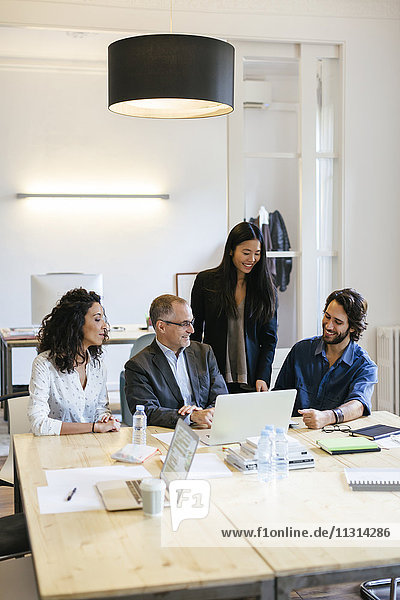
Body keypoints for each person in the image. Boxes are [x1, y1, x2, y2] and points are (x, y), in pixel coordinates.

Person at [191, 221, 277, 393]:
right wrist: (196, 371)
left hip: (251, 378)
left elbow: (269, 340)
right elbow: (195, 330)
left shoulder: (266, 289)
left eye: (257, 253)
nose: (252, 259)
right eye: (246, 253)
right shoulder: (206, 282)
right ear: (231, 250)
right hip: (213, 373)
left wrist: (263, 376)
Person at [274, 288, 378, 429]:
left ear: (352, 327)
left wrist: (328, 417)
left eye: (338, 322)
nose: (329, 326)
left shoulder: (365, 367)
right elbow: (279, 396)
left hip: (335, 437)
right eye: (327, 316)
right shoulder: (300, 351)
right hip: (295, 434)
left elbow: (358, 404)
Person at [124, 294, 227, 429]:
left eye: (191, 322)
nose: (191, 330)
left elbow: (221, 398)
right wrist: (189, 417)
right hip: (166, 434)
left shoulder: (204, 352)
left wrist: (209, 413)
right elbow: (147, 412)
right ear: (161, 327)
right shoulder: (138, 366)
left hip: (207, 429)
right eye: (184, 324)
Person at [28, 288, 120, 436]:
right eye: (97, 319)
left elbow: (101, 410)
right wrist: (93, 427)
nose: (105, 326)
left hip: (89, 447)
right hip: (52, 449)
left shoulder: (97, 366)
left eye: (104, 319)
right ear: (76, 323)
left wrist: (105, 420)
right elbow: (39, 424)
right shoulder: (44, 364)